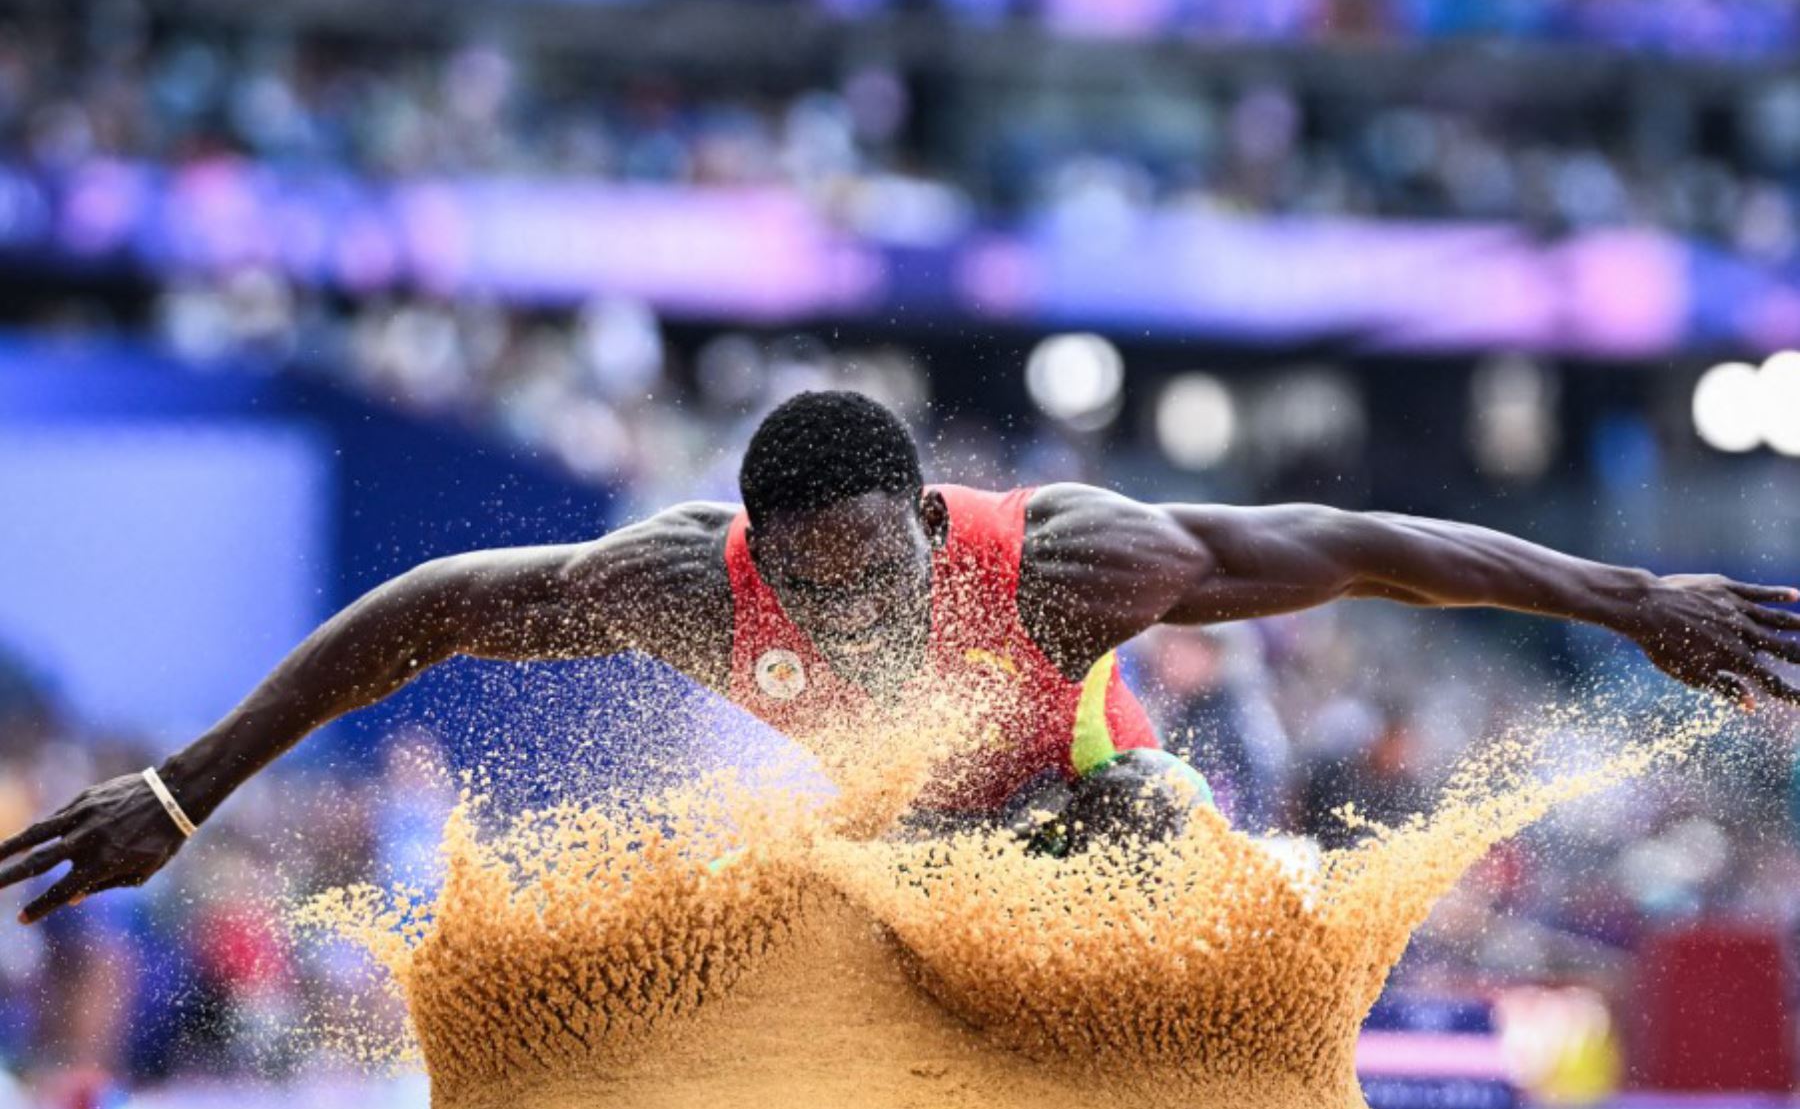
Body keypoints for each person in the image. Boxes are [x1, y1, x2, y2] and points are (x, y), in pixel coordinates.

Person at [3, 391, 1798, 921]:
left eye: (874, 571)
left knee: (1139, 832)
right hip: (913, 847)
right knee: (761, 906)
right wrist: (184, 784)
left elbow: (1371, 552)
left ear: (935, 523)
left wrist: (1632, 601)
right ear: (749, 547)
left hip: (1113, 799)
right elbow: (412, 620)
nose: (850, 609)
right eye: (812, 577)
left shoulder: (1083, 563)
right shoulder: (684, 586)